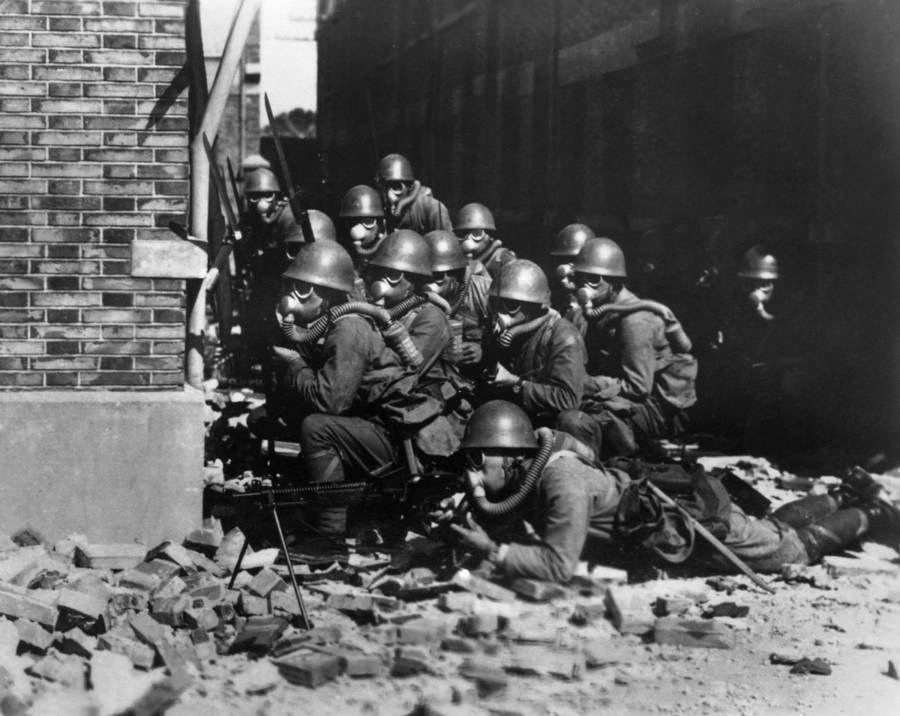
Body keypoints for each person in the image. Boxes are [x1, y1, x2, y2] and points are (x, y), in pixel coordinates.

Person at [448, 401, 900, 583]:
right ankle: (843, 494)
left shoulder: (559, 480)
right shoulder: (539, 466)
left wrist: (495, 551)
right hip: (673, 515)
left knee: (791, 551)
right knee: (774, 527)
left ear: (508, 456)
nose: (473, 473)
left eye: (476, 461)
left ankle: (873, 511)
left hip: (693, 528)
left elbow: (558, 564)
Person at [557, 238, 697, 459]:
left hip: (656, 409)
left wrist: (586, 383)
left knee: (582, 420)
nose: (585, 287)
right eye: (582, 278)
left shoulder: (635, 321)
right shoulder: (601, 311)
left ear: (615, 282)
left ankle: (621, 463)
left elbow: (638, 386)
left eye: (594, 280)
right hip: (628, 395)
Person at [695, 244, 815, 454]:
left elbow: (809, 356)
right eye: (749, 284)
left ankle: (790, 451)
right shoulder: (740, 310)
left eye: (763, 284)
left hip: (784, 373)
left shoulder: (792, 312)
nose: (754, 291)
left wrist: (772, 364)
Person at [479, 259, 586, 427]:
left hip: (547, 425)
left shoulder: (562, 335)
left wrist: (517, 383)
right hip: (510, 419)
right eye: (495, 303)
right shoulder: (499, 333)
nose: (499, 312)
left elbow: (568, 399)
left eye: (511, 305)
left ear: (534, 307)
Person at [424, 229, 492, 380]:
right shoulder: (414, 294)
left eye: (438, 276)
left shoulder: (481, 290)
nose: (429, 284)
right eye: (426, 276)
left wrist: (485, 351)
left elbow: (509, 332)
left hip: (477, 373)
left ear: (456, 272)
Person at [375, 153, 452, 234]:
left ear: (410, 186)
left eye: (396, 187)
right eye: (384, 188)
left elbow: (445, 243)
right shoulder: (379, 209)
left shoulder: (431, 209)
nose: (389, 195)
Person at [453, 203, 516, 281]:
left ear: (490, 236)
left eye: (476, 234)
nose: (468, 240)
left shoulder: (502, 259)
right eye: (462, 234)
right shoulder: (458, 260)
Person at [549, 223, 595, 315]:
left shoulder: (600, 298)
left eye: (575, 259)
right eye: (565, 259)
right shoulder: (554, 293)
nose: (569, 266)